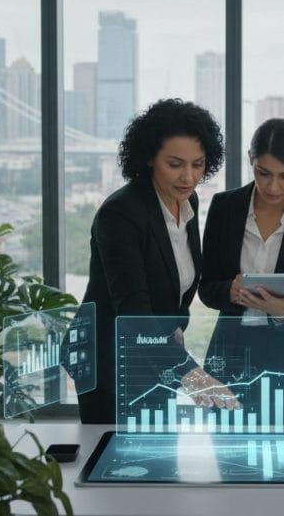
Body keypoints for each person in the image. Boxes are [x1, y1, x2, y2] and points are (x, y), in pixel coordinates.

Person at [77, 98, 237, 424]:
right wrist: (189, 371)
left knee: (157, 447)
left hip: (157, 355)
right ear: (150, 157)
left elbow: (177, 281)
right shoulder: (120, 214)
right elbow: (133, 309)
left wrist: (174, 326)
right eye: (175, 164)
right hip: (111, 361)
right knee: (113, 451)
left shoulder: (186, 200)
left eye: (198, 164)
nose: (188, 177)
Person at [199, 118, 284, 424]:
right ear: (250, 159)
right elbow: (206, 287)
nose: (273, 187)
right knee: (227, 450)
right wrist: (229, 291)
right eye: (263, 173)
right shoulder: (224, 207)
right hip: (230, 361)